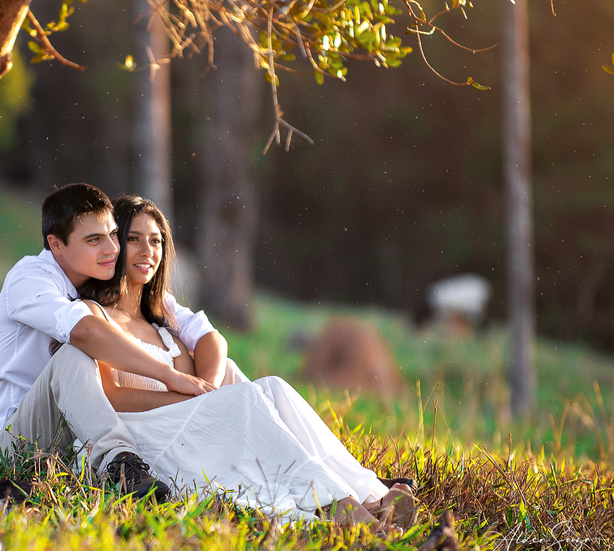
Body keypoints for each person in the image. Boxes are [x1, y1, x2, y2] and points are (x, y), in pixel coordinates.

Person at [77, 195, 416, 528]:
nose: (147, 251)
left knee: (274, 387)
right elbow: (108, 395)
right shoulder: (96, 316)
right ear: (114, 245)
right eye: (133, 239)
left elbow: (211, 345)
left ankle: (366, 495)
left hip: (184, 427)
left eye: (156, 241)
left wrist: (203, 396)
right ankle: (348, 510)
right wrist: (192, 399)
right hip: (142, 437)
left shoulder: (162, 319)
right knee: (244, 398)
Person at [0, 184, 227, 500]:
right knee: (72, 356)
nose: (112, 249)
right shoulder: (31, 278)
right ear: (56, 244)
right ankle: (121, 466)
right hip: (13, 445)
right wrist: (171, 378)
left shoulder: (102, 284)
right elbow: (84, 332)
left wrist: (208, 393)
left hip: (67, 448)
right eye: (94, 240)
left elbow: (202, 330)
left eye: (113, 235)